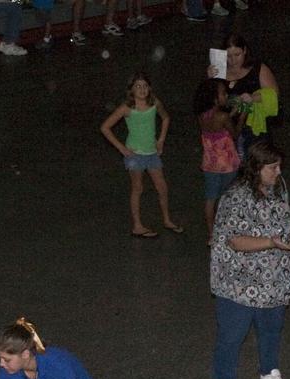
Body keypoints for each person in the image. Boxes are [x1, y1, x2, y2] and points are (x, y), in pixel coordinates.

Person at [209, 140, 290, 379]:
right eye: (272, 167)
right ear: (256, 167)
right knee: (231, 337)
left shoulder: (278, 190)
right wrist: (274, 243)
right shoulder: (236, 197)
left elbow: (283, 223)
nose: (278, 172)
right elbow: (236, 241)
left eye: (279, 166)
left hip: (273, 281)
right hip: (238, 284)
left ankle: (269, 371)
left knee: (271, 329)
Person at [100, 72, 182, 239]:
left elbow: (165, 117)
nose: (142, 89)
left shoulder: (154, 103)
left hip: (152, 152)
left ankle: (167, 219)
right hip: (135, 154)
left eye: (145, 86)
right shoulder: (127, 107)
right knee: (138, 188)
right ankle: (137, 225)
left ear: (149, 88)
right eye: (138, 86)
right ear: (131, 89)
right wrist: (121, 148)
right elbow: (105, 127)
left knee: (162, 187)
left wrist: (161, 140)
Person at [208, 34, 279, 158]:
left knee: (255, 161)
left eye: (237, 55)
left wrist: (253, 98)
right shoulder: (218, 71)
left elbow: (274, 94)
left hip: (253, 126)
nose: (233, 60)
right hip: (228, 127)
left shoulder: (258, 69)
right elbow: (210, 101)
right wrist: (210, 79)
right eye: (229, 56)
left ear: (245, 51)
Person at [194, 79, 245, 240]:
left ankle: (211, 234)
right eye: (223, 93)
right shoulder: (222, 116)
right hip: (227, 164)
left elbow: (217, 126)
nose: (226, 95)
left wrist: (231, 114)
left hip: (210, 164)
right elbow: (235, 134)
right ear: (215, 98)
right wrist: (242, 115)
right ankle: (228, 230)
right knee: (228, 197)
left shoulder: (203, 115)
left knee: (210, 198)